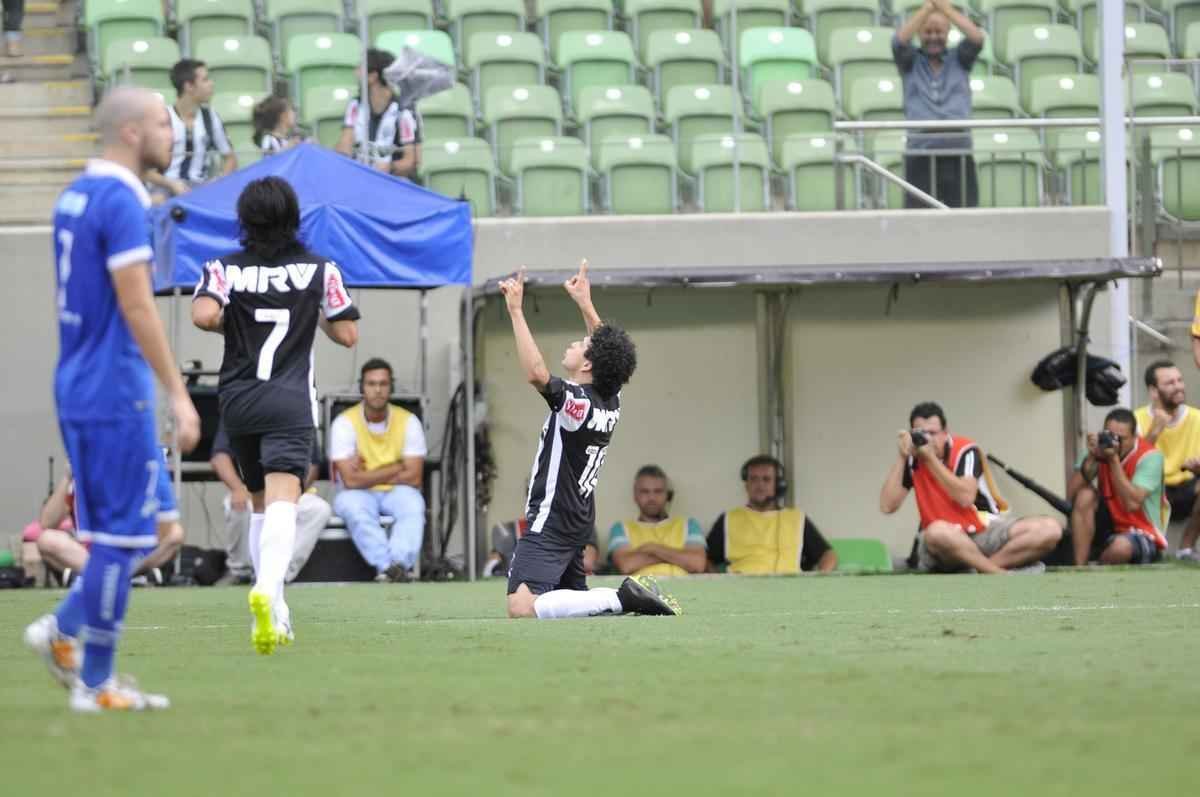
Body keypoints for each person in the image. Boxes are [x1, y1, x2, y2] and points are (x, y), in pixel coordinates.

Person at [23, 86, 201, 712]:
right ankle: (90, 677)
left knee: (134, 532)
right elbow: (135, 302)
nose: (173, 133)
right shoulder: (124, 198)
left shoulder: (75, 193)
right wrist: (179, 393)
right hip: (111, 385)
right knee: (122, 541)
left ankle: (68, 638)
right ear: (130, 131)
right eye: (162, 122)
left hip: (79, 378)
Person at [192, 175, 359, 655]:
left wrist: (235, 317)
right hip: (289, 400)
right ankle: (269, 587)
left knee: (260, 501)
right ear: (293, 218)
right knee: (287, 497)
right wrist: (309, 312)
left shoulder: (223, 268)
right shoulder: (318, 269)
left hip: (238, 402)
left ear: (244, 221)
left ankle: (275, 610)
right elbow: (348, 334)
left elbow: (203, 315)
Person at [500, 260, 679, 619]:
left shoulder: (577, 404)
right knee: (569, 603)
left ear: (588, 366)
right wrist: (585, 304)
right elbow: (612, 357)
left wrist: (516, 312)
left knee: (522, 606)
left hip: (552, 519)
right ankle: (623, 601)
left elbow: (536, 373)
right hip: (577, 518)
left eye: (583, 345)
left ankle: (623, 597)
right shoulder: (610, 398)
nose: (576, 342)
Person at [879, 401, 1063, 573]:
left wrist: (931, 460)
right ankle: (997, 573)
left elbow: (965, 497)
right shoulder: (913, 459)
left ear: (945, 433)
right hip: (944, 541)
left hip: (980, 529)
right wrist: (902, 457)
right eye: (920, 433)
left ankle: (985, 570)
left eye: (933, 433)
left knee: (1050, 528)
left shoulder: (964, 450)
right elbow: (887, 506)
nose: (928, 439)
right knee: (936, 532)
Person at [329, 358, 427, 583]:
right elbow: (350, 481)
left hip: (397, 491)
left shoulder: (409, 421)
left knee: (414, 504)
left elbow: (414, 476)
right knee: (352, 506)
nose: (377, 390)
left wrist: (368, 474)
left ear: (390, 386)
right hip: (359, 492)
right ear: (361, 387)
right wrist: (396, 467)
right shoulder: (344, 423)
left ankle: (398, 563)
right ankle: (390, 567)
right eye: (371, 384)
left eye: (383, 384)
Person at [210, 418, 332, 585]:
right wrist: (238, 488)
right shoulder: (243, 402)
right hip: (251, 490)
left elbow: (313, 464)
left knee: (319, 509)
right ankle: (240, 572)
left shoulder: (299, 407)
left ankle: (279, 573)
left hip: (288, 490)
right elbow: (220, 457)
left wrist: (294, 492)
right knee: (237, 502)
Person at [892, 0, 986, 208]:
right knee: (917, 223)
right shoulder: (910, 61)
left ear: (948, 33)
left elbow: (977, 38)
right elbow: (898, 42)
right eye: (927, 31)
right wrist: (927, 8)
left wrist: (945, 9)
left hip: (957, 150)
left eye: (939, 31)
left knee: (964, 218)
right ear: (919, 33)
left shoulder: (960, 59)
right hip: (920, 152)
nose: (933, 37)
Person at [34, 457, 185, 585]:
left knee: (175, 533)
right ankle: (117, 578)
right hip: (90, 555)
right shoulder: (79, 477)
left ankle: (102, 578)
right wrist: (68, 476)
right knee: (46, 540)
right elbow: (47, 522)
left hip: (132, 554)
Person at [1067, 409, 1168, 565]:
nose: (1115, 443)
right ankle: (1079, 568)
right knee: (1085, 495)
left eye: (1122, 439)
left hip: (1142, 532)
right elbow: (1071, 494)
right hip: (1109, 527)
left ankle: (1096, 572)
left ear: (1135, 436)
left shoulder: (1150, 456)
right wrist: (1092, 457)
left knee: (1121, 548)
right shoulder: (1100, 447)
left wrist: (1113, 460)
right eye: (1111, 436)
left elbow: (1132, 504)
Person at [707, 456, 838, 574]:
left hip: (790, 590)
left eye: (766, 479)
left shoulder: (796, 519)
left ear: (778, 485)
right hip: (740, 590)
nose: (760, 485)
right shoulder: (729, 519)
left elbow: (828, 555)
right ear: (746, 485)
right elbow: (706, 560)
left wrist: (819, 581)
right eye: (753, 479)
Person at [1136, 360, 1200, 562]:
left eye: (1179, 380)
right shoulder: (1136, 419)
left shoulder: (1197, 418)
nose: (1179, 386)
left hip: (1189, 487)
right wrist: (1155, 430)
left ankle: (1186, 549)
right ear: (1153, 391)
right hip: (1153, 489)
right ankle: (1149, 548)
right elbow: (1133, 466)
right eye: (1170, 383)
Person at [145, 59, 236, 198]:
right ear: (189, 87)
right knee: (158, 200)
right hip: (166, 186)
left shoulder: (210, 117)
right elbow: (146, 170)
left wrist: (219, 180)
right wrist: (172, 184)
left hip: (202, 188)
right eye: (205, 80)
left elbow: (230, 158)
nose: (211, 84)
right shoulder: (162, 118)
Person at [335, 48, 421, 178]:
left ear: (373, 77)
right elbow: (345, 145)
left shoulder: (405, 112)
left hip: (393, 183)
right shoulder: (355, 105)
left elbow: (412, 160)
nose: (356, 73)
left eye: (360, 69)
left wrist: (390, 167)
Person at [609, 465, 706, 577]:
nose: (652, 498)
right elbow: (626, 565)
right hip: (640, 592)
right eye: (645, 492)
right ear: (635, 495)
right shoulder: (621, 528)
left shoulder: (689, 525)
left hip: (685, 590)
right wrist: (677, 557)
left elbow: (697, 564)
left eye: (658, 491)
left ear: (668, 495)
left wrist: (652, 548)